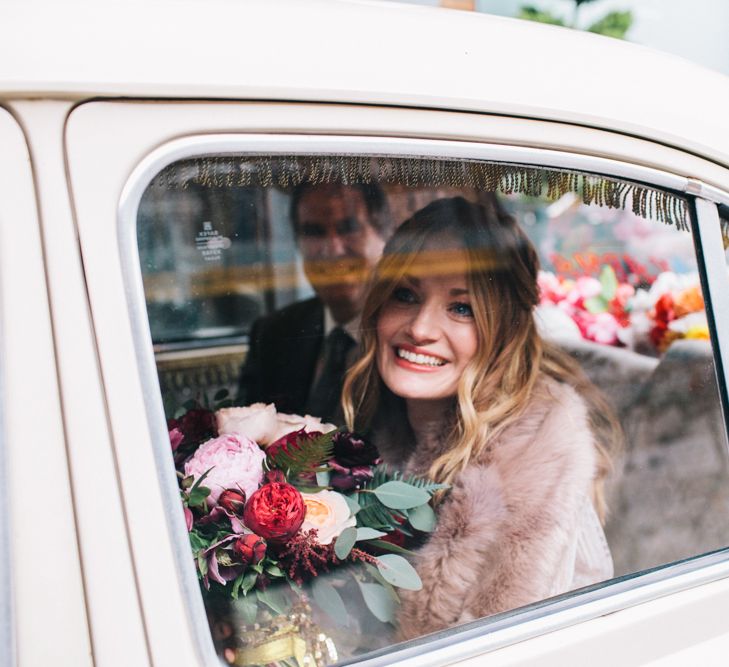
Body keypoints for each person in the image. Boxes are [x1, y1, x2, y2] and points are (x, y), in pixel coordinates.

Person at [342, 196, 621, 640]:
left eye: (461, 308)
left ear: (503, 330)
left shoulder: (536, 459)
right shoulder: (374, 425)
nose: (419, 328)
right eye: (406, 295)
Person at [238, 181, 393, 421]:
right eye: (314, 232)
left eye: (348, 227)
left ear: (385, 238)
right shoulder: (273, 333)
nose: (332, 249)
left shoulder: (409, 334)